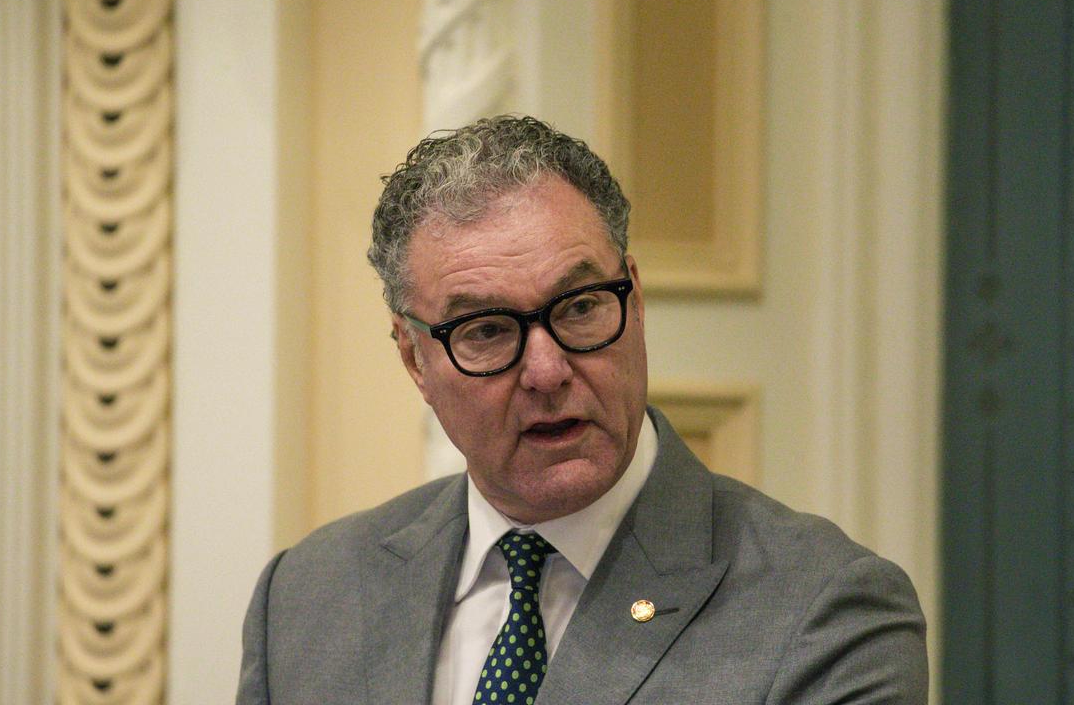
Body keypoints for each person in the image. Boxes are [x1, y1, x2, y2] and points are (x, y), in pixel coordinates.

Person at [235, 115, 927, 704]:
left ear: (635, 298)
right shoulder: (305, 598)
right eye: (486, 330)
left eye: (581, 307)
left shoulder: (824, 611)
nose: (546, 370)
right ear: (415, 358)